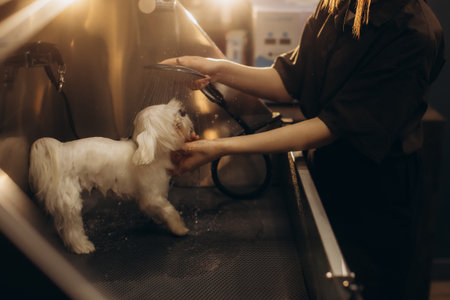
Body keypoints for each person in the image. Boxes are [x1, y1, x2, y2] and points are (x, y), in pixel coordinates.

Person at [163, 0, 445, 299]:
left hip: (377, 193)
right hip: (331, 168)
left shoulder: (412, 34)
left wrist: (219, 147)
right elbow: (288, 80)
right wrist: (213, 68)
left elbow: (332, 126)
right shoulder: (339, 5)